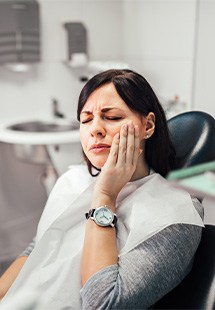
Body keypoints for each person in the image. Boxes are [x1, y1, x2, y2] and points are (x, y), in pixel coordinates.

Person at [0, 69, 204, 309]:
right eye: (86, 120)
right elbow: (38, 248)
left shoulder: (176, 215)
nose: (95, 129)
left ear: (147, 125)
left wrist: (105, 196)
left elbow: (103, 303)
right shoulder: (72, 180)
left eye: (113, 117)